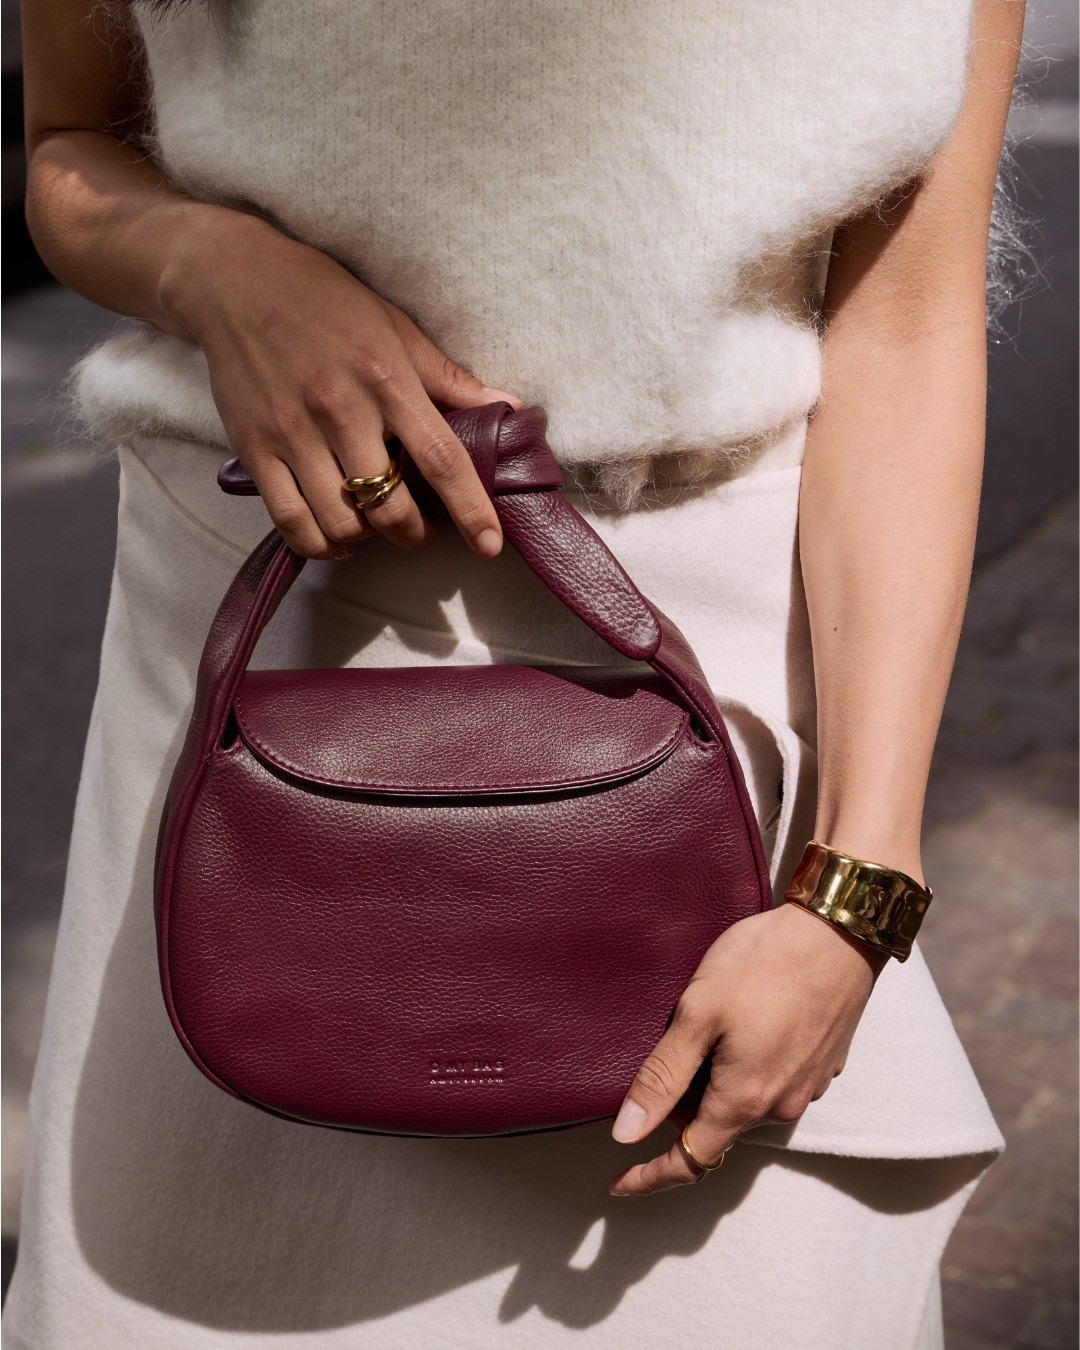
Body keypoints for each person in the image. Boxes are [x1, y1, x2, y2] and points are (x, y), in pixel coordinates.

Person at [6, 0, 1023, 1345]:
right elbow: (69, 144)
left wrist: (857, 893)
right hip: (259, 650)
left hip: (729, 718)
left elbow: (907, 327)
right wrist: (212, 265)